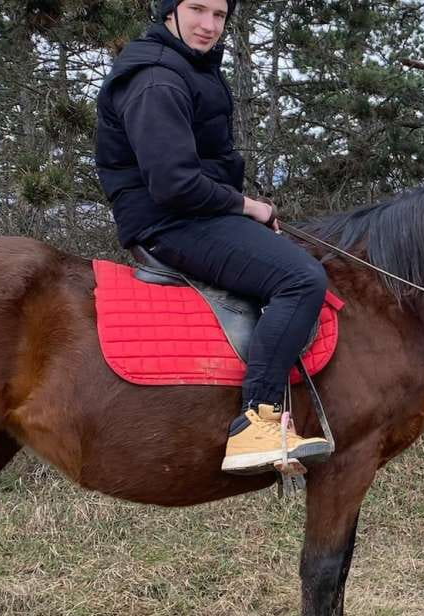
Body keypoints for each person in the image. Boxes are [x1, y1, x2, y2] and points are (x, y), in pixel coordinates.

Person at [95, 0, 330, 474]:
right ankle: (255, 424)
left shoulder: (189, 65)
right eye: (197, 10)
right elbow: (174, 183)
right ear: (170, 11)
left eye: (219, 15)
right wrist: (250, 206)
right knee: (302, 279)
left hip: (191, 214)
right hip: (169, 221)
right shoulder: (157, 78)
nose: (208, 26)